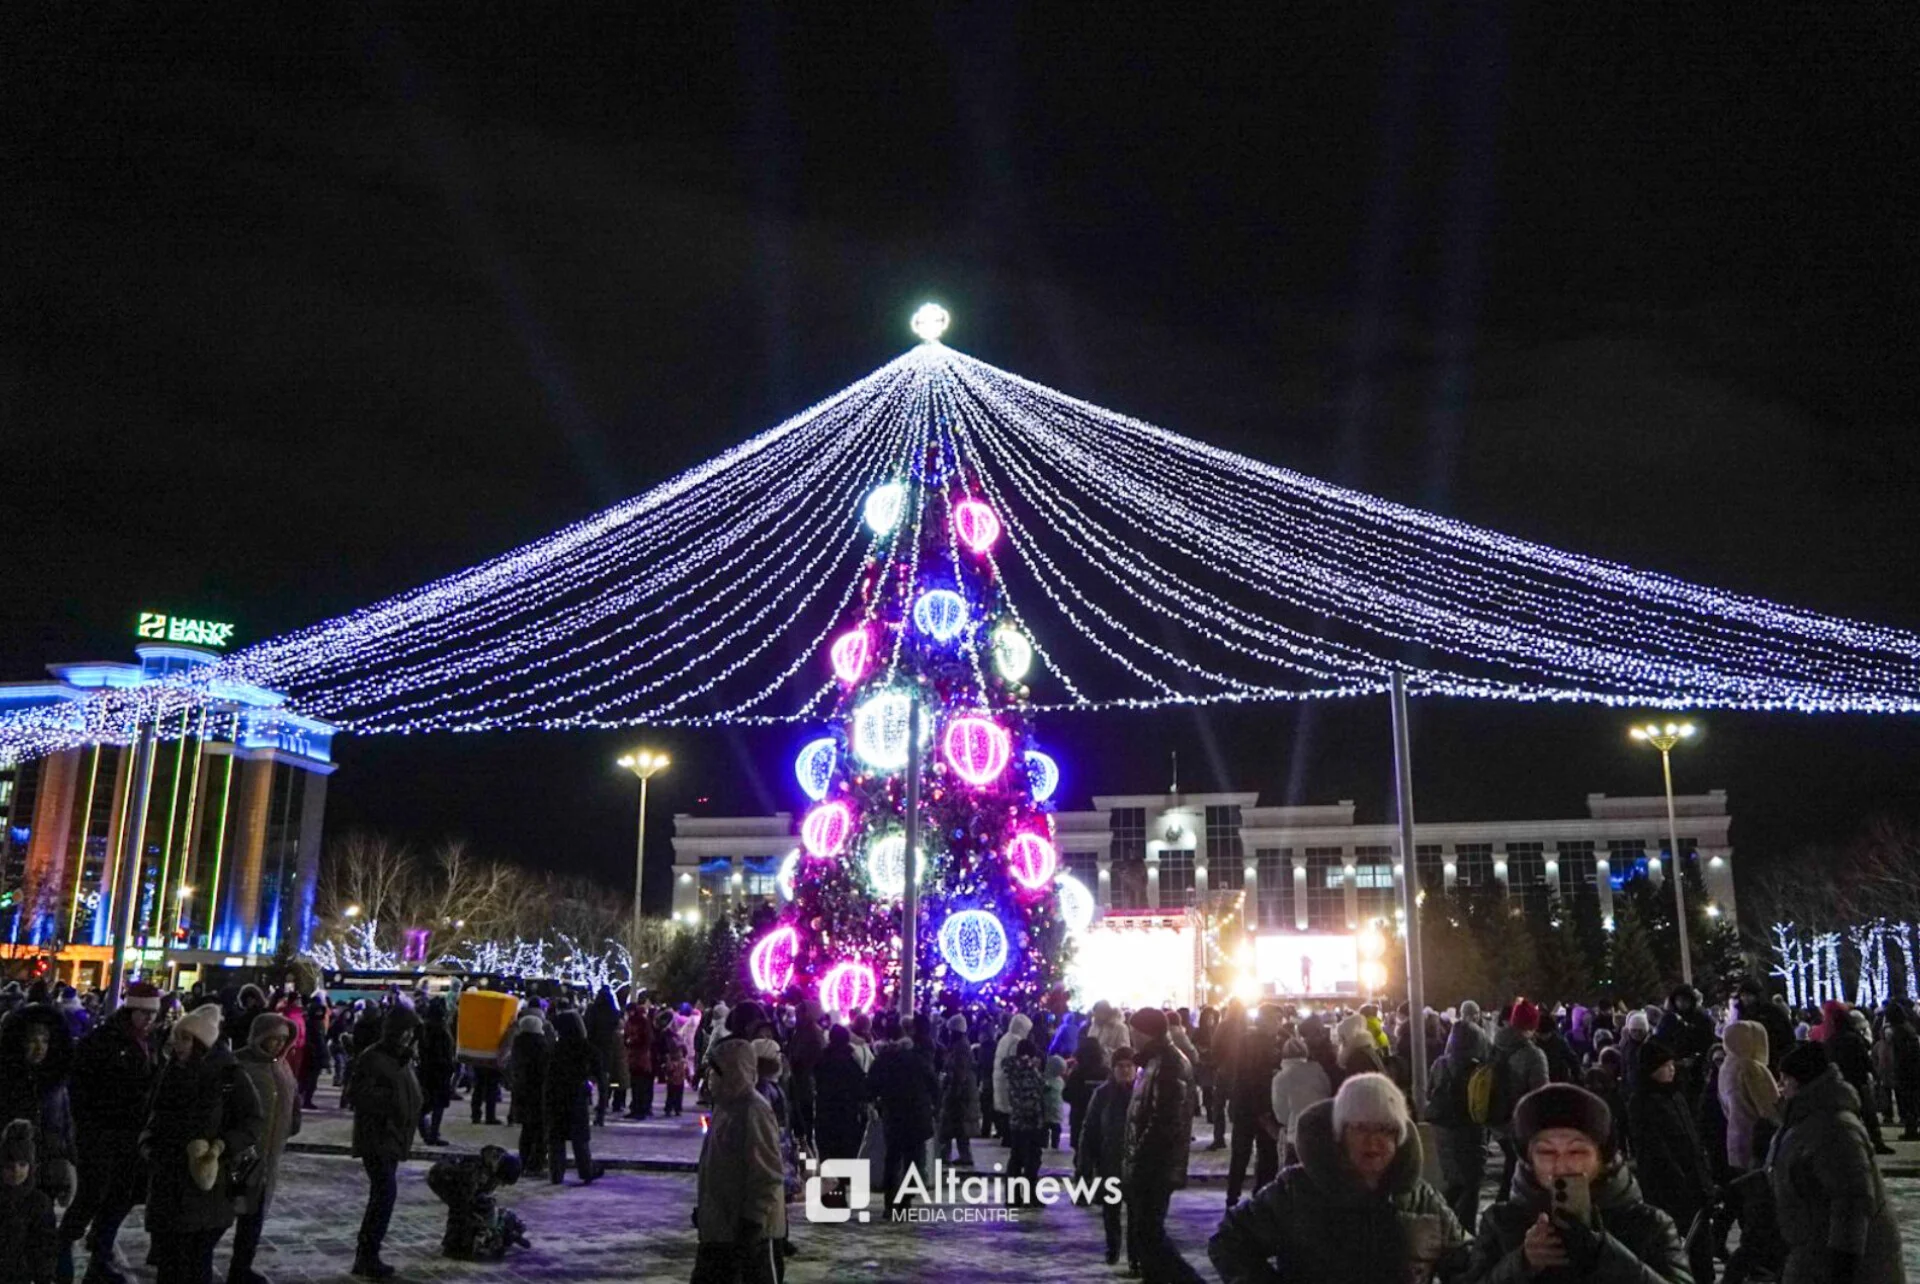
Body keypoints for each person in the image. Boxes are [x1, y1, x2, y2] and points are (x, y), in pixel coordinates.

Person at [1211, 1073, 1465, 1284]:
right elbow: (1230, 1241)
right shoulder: (1297, 1191)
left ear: (1398, 1138)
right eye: (1361, 1127)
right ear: (1341, 1134)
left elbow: (1465, 1263)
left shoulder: (1422, 1199)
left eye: (1385, 1129)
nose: (1373, 1141)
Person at [1463, 1083, 1690, 1283]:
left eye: (1577, 1151)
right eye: (1547, 1152)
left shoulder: (1649, 1225)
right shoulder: (1501, 1222)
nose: (1561, 1165)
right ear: (1529, 1160)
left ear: (1602, 1157)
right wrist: (1522, 1263)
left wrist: (1606, 1255)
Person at [140, 1004, 263, 1284]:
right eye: (177, 1037)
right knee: (169, 1262)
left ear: (201, 1043)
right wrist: (148, 1145)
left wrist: (220, 1147)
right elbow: (153, 1115)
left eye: (185, 1038)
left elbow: (252, 1121)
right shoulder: (172, 1070)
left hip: (208, 1183)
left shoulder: (229, 1075)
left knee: (196, 1260)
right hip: (168, 1179)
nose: (177, 1044)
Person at [1769, 1041, 1905, 1284]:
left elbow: (1852, 1201)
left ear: (1801, 1082)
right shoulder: (1804, 1119)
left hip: (1851, 1262)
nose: (1780, 1087)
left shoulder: (1835, 1128)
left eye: (1785, 1080)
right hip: (1814, 1251)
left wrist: (1843, 1267)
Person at [62, 982, 156, 1284]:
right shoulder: (104, 1040)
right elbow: (81, 1087)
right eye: (144, 1013)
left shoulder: (145, 1040)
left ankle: (99, 1258)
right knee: (91, 1196)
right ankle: (61, 1250)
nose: (150, 1019)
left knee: (120, 1197)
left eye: (153, 1014)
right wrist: (90, 1124)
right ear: (131, 1011)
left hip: (129, 1135)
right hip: (101, 1134)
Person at [1122, 1006, 1204, 1284]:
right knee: (1145, 1236)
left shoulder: (1169, 1064)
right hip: (1149, 1163)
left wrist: (1141, 1157)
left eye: (1134, 1031)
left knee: (1150, 1234)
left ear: (1144, 1033)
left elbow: (1164, 1121)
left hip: (1155, 1165)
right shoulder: (1153, 1062)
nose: (1131, 1037)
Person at [691, 1041, 783, 1284]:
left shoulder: (753, 1109)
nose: (710, 1078)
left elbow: (766, 1173)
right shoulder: (724, 1107)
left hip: (747, 1235)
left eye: (715, 1071)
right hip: (719, 1229)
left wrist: (752, 1220)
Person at [1627, 1041, 1714, 1284]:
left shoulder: (1676, 1095)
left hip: (1694, 1184)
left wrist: (1704, 1177)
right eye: (1664, 1066)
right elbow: (1654, 1149)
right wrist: (1679, 1180)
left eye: (1671, 1064)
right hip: (1669, 1188)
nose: (1671, 1069)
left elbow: (1692, 1139)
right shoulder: (1642, 1102)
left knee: (1701, 1247)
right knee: (1675, 1247)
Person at [0, 1004, 75, 1281]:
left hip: (45, 1177)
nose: (39, 1047)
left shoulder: (56, 1084)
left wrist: (69, 1163)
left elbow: (65, 1126)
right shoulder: (7, 1081)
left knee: (42, 1240)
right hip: (12, 1177)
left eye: (45, 1040)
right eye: (33, 1039)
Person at [348, 1005, 422, 1280]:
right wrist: (393, 1104)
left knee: (383, 1196)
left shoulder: (401, 1058)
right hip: (377, 1136)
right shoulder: (374, 1057)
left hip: (393, 1135)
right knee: (384, 1196)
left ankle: (367, 1256)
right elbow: (359, 1094)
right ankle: (367, 1255)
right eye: (406, 1031)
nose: (409, 1036)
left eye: (412, 1032)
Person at [229, 1012, 301, 1284]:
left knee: (254, 1217)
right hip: (241, 1154)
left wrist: (294, 1120)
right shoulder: (241, 1064)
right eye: (273, 1038)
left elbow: (292, 1096)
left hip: (269, 1157)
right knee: (225, 1212)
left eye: (283, 1039)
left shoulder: (281, 1066)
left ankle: (241, 1268)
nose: (278, 1044)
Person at [1426, 1017, 1489, 1234]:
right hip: (1469, 1129)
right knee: (1472, 1183)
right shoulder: (1477, 1067)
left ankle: (1442, 1222)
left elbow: (1430, 1091)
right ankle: (1465, 1231)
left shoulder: (1439, 1064)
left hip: (1441, 1127)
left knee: (1454, 1181)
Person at [1075, 1046, 1134, 1269]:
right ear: (1113, 1068)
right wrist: (1085, 1165)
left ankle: (1135, 1256)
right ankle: (1113, 1248)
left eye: (1129, 1066)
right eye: (1121, 1066)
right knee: (1111, 1211)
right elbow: (1090, 1129)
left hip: (1135, 1163)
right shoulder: (1103, 1094)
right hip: (1110, 1161)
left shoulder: (1141, 1093)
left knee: (1136, 1214)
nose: (1125, 1070)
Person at [1489, 999, 1549, 1200]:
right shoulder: (1534, 1055)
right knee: (1519, 1169)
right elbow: (1541, 1094)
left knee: (1512, 1163)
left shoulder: (1495, 1045)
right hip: (1520, 1121)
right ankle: (1507, 1207)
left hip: (1495, 1116)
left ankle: (1505, 1205)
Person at [425, 1145, 527, 1261]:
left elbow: (485, 1194)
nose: (502, 1185)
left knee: (480, 1206)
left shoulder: (495, 1166)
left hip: (463, 1179)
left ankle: (462, 1242)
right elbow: (463, 1205)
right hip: (442, 1179)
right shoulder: (473, 1172)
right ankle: (453, 1246)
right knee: (464, 1210)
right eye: (502, 1181)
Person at [1226, 1003, 1283, 1207]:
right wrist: (1264, 1112)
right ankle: (1238, 1198)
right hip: (1253, 1108)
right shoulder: (1253, 1043)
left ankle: (1255, 1198)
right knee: (1246, 1155)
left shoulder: (1274, 1041)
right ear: (1265, 1020)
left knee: (1263, 1156)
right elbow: (1251, 1078)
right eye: (1276, 1019)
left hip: (1257, 1107)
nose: (1279, 1024)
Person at [542, 1011, 603, 1185]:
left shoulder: (554, 1049)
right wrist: (601, 1105)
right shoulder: (586, 1048)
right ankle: (586, 1170)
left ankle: (556, 1173)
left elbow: (546, 1075)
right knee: (580, 1137)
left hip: (555, 1097)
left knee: (556, 1138)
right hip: (577, 1097)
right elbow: (600, 1076)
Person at [1, 1118, 59, 1284]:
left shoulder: (39, 1203)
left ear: (30, 1166)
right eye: (9, 1166)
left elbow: (45, 1247)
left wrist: (44, 1277)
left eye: (22, 1164)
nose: (16, 1171)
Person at [1000, 1038, 1047, 1198]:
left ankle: (1014, 1196)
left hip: (1017, 1120)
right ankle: (1029, 1195)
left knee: (1017, 1158)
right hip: (1030, 1120)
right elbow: (1033, 1094)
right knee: (1031, 1160)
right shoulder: (1027, 1070)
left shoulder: (1013, 1070)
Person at [507, 1014, 548, 1171]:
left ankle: (524, 1159)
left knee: (527, 1130)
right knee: (540, 1130)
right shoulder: (541, 1045)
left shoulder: (518, 1045)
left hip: (521, 1093)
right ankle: (537, 1162)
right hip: (539, 1094)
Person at [936, 1015, 979, 1165]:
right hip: (963, 1092)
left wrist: (952, 1091)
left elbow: (959, 1072)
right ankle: (962, 1155)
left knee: (952, 1125)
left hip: (959, 1093)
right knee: (959, 1127)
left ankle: (946, 1155)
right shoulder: (962, 1046)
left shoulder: (960, 1048)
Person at [415, 998, 455, 1147]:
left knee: (425, 1104)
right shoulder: (440, 1030)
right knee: (436, 1105)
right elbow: (443, 1052)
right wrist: (449, 1065)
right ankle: (432, 1133)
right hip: (439, 1071)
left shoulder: (424, 1028)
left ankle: (426, 1132)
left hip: (426, 1070)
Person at [990, 1012, 1032, 1142]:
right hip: (1008, 1080)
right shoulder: (1016, 1041)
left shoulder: (1005, 1038)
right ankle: (1008, 1138)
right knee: (1009, 1108)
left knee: (1002, 1107)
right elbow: (1015, 1061)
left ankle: (1004, 1134)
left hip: (999, 1077)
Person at [1885, 1000, 1920, 1141]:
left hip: (1907, 1071)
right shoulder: (1907, 1028)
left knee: (1908, 1101)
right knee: (1911, 1100)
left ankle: (1911, 1129)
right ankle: (1911, 1128)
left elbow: (1903, 1053)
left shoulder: (1900, 1031)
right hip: (1911, 1070)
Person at [623, 1000, 655, 1120]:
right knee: (635, 1084)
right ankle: (635, 1108)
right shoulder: (631, 1022)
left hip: (641, 1057)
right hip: (633, 1057)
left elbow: (647, 1039)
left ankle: (641, 1109)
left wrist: (633, 1040)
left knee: (641, 1084)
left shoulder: (642, 1022)